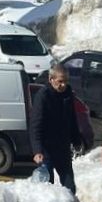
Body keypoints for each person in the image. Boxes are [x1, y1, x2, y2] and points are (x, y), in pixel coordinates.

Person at [29, 66, 84, 194]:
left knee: (70, 187)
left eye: (66, 81)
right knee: (48, 189)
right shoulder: (43, 96)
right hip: (46, 150)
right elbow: (35, 125)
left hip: (62, 148)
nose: (63, 85)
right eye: (60, 81)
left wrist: (76, 140)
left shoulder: (68, 94)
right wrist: (37, 150)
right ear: (51, 79)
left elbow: (72, 119)